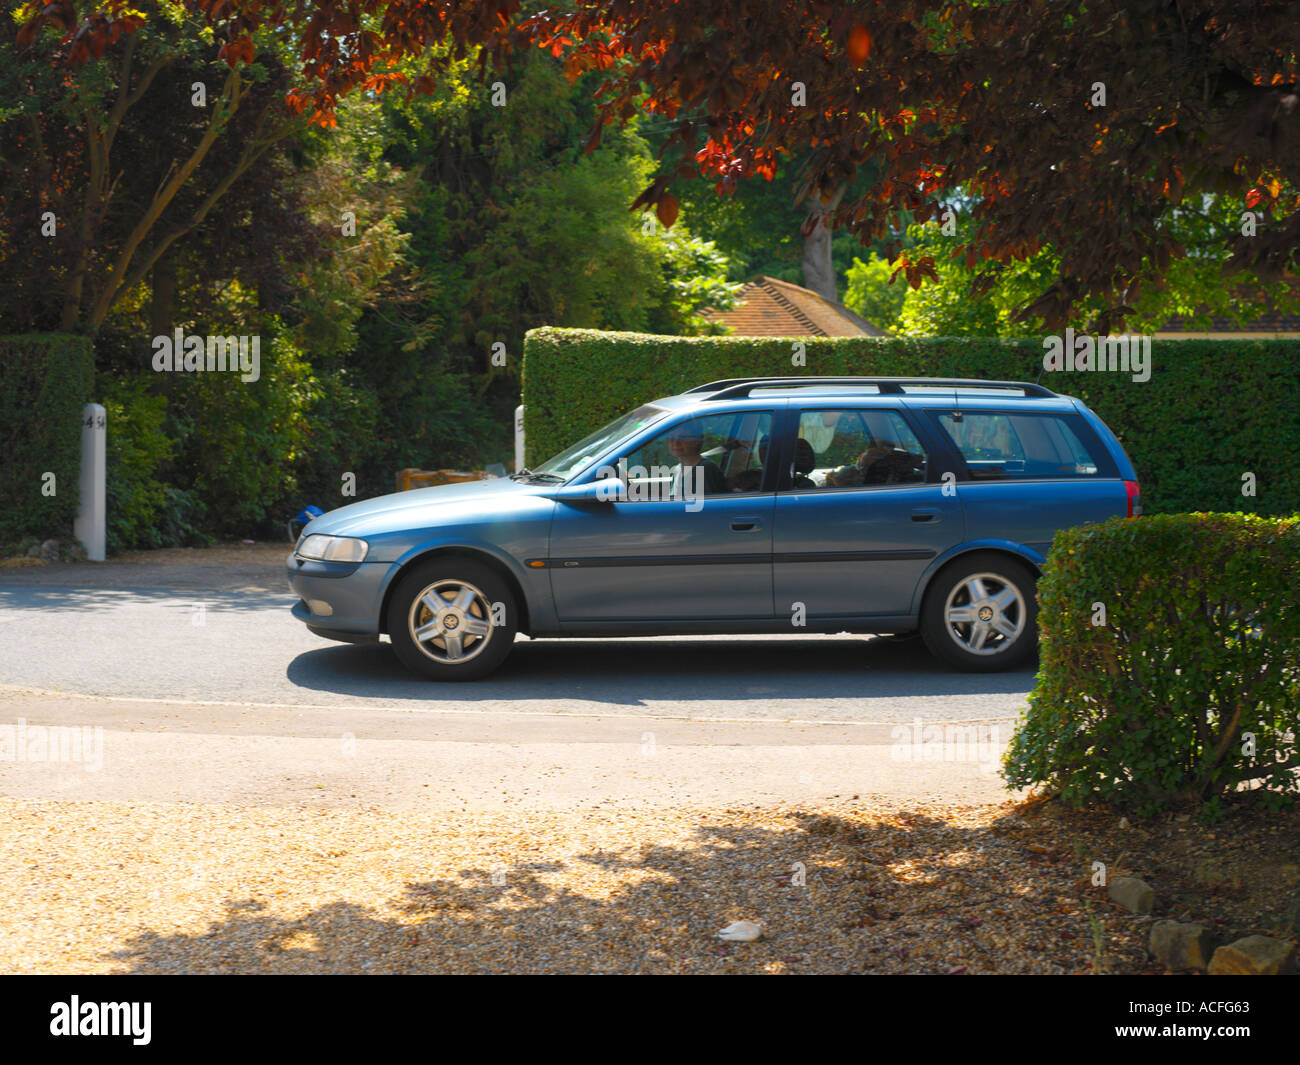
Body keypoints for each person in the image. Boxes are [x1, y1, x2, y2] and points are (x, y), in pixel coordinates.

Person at [667, 425, 728, 497]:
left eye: (682, 437)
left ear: (696, 440)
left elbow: (708, 505)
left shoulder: (705, 469)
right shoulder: (678, 469)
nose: (676, 443)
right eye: (672, 438)